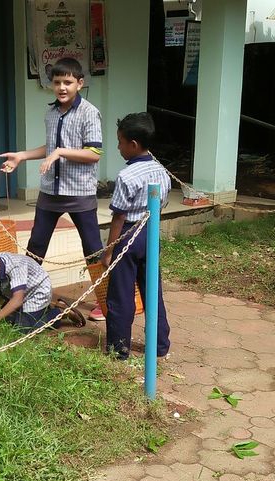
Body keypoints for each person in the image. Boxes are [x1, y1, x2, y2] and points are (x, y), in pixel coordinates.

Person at [0, 57, 106, 321]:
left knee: (93, 248)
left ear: (79, 84)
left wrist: (59, 152)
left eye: (68, 82)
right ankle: (23, 295)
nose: (62, 87)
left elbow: (94, 153)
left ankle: (105, 301)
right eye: (57, 82)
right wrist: (22, 156)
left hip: (80, 193)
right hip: (49, 193)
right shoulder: (50, 113)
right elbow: (49, 149)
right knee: (35, 247)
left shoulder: (89, 112)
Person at [101, 112, 171, 361]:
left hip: (129, 236)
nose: (118, 147)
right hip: (151, 234)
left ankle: (118, 349)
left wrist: (109, 251)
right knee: (152, 290)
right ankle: (160, 344)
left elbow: (118, 217)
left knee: (120, 296)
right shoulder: (162, 171)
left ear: (133, 144)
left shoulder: (125, 176)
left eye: (120, 142)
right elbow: (161, 204)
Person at [0, 243, 85, 332]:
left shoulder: (15, 266)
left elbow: (17, 300)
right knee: (8, 321)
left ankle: (60, 313)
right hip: (18, 293)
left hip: (37, 291)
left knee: (23, 329)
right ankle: (45, 309)